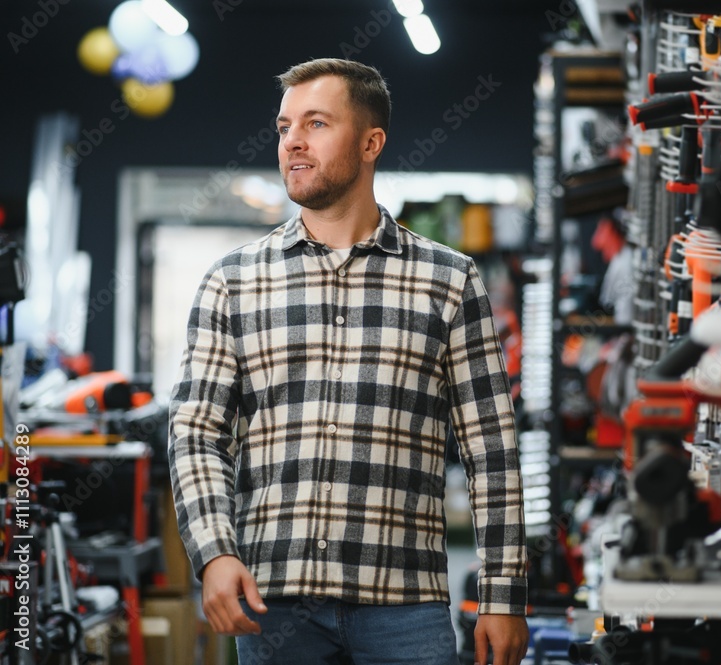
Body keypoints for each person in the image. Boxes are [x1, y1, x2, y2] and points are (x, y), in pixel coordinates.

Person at [169, 58, 528, 665]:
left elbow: (490, 447)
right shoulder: (233, 281)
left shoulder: (449, 280)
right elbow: (196, 432)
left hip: (405, 604)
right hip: (274, 601)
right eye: (285, 128)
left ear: (370, 142)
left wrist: (503, 594)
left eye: (315, 123)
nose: (293, 143)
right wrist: (215, 551)